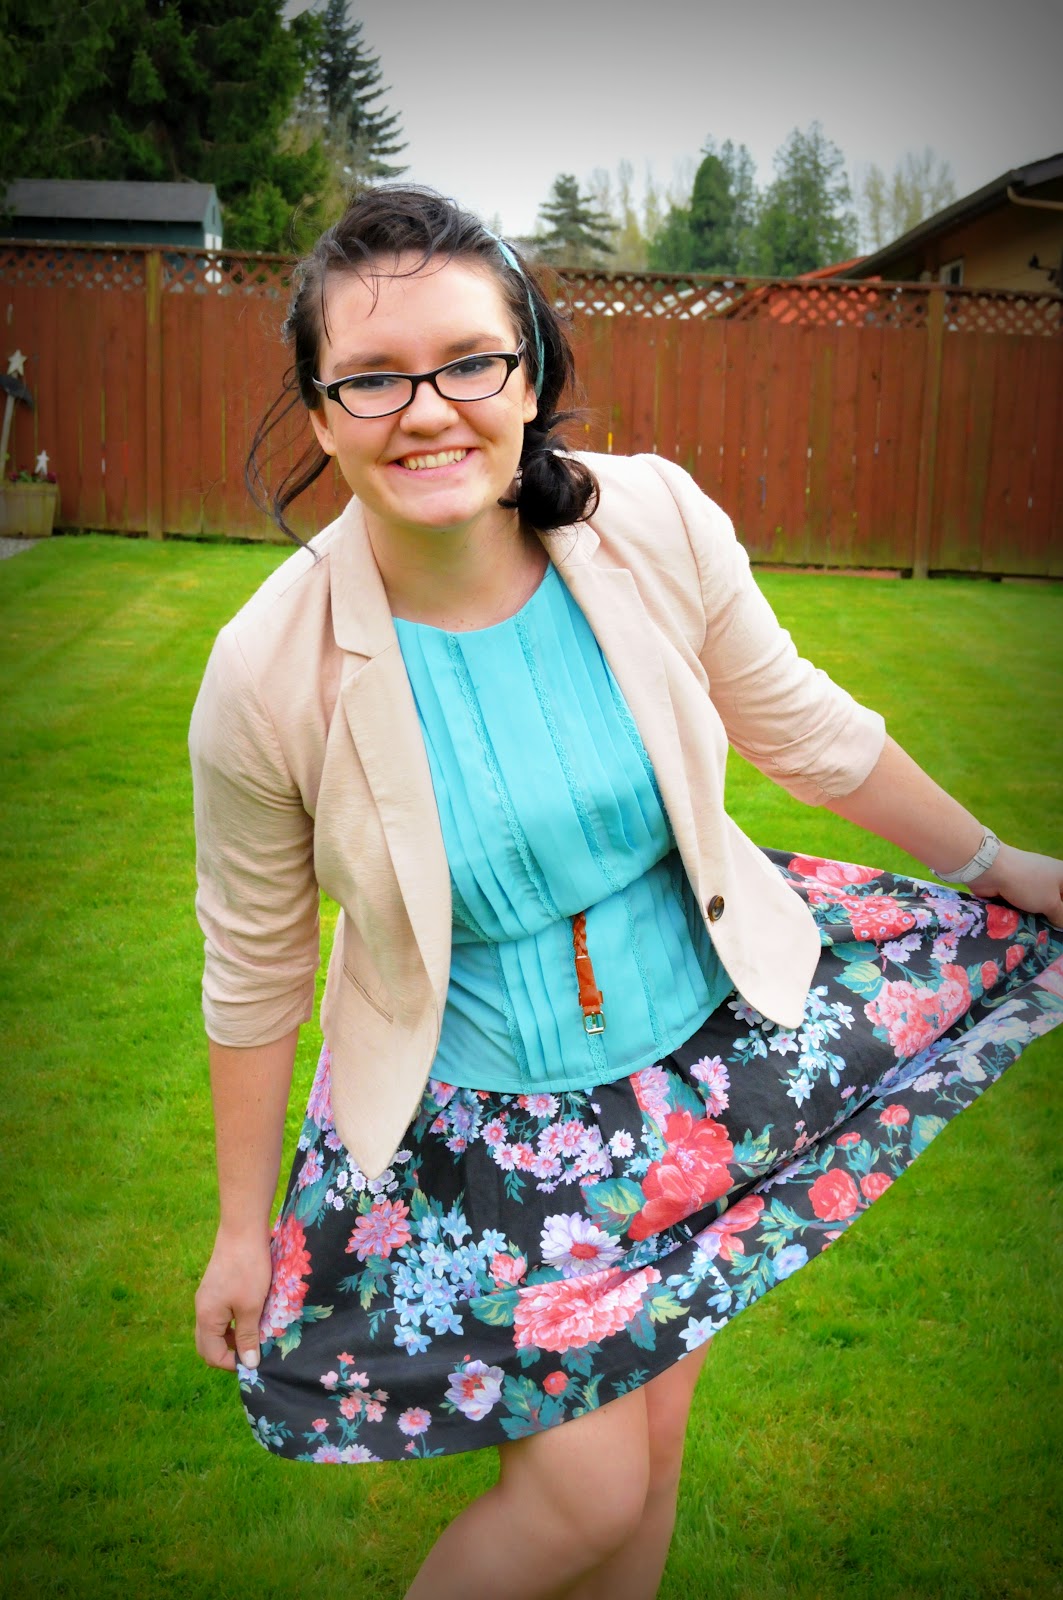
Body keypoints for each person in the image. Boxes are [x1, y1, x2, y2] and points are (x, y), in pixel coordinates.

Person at [190, 185, 1063, 1600]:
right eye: (372, 377)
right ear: (320, 408)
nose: (428, 410)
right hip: (487, 1131)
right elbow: (254, 960)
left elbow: (801, 723)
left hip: (694, 1075)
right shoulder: (268, 672)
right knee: (584, 1493)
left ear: (530, 369)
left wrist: (999, 865)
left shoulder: (646, 522)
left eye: (471, 360)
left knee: (648, 1469)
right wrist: (242, 1231)